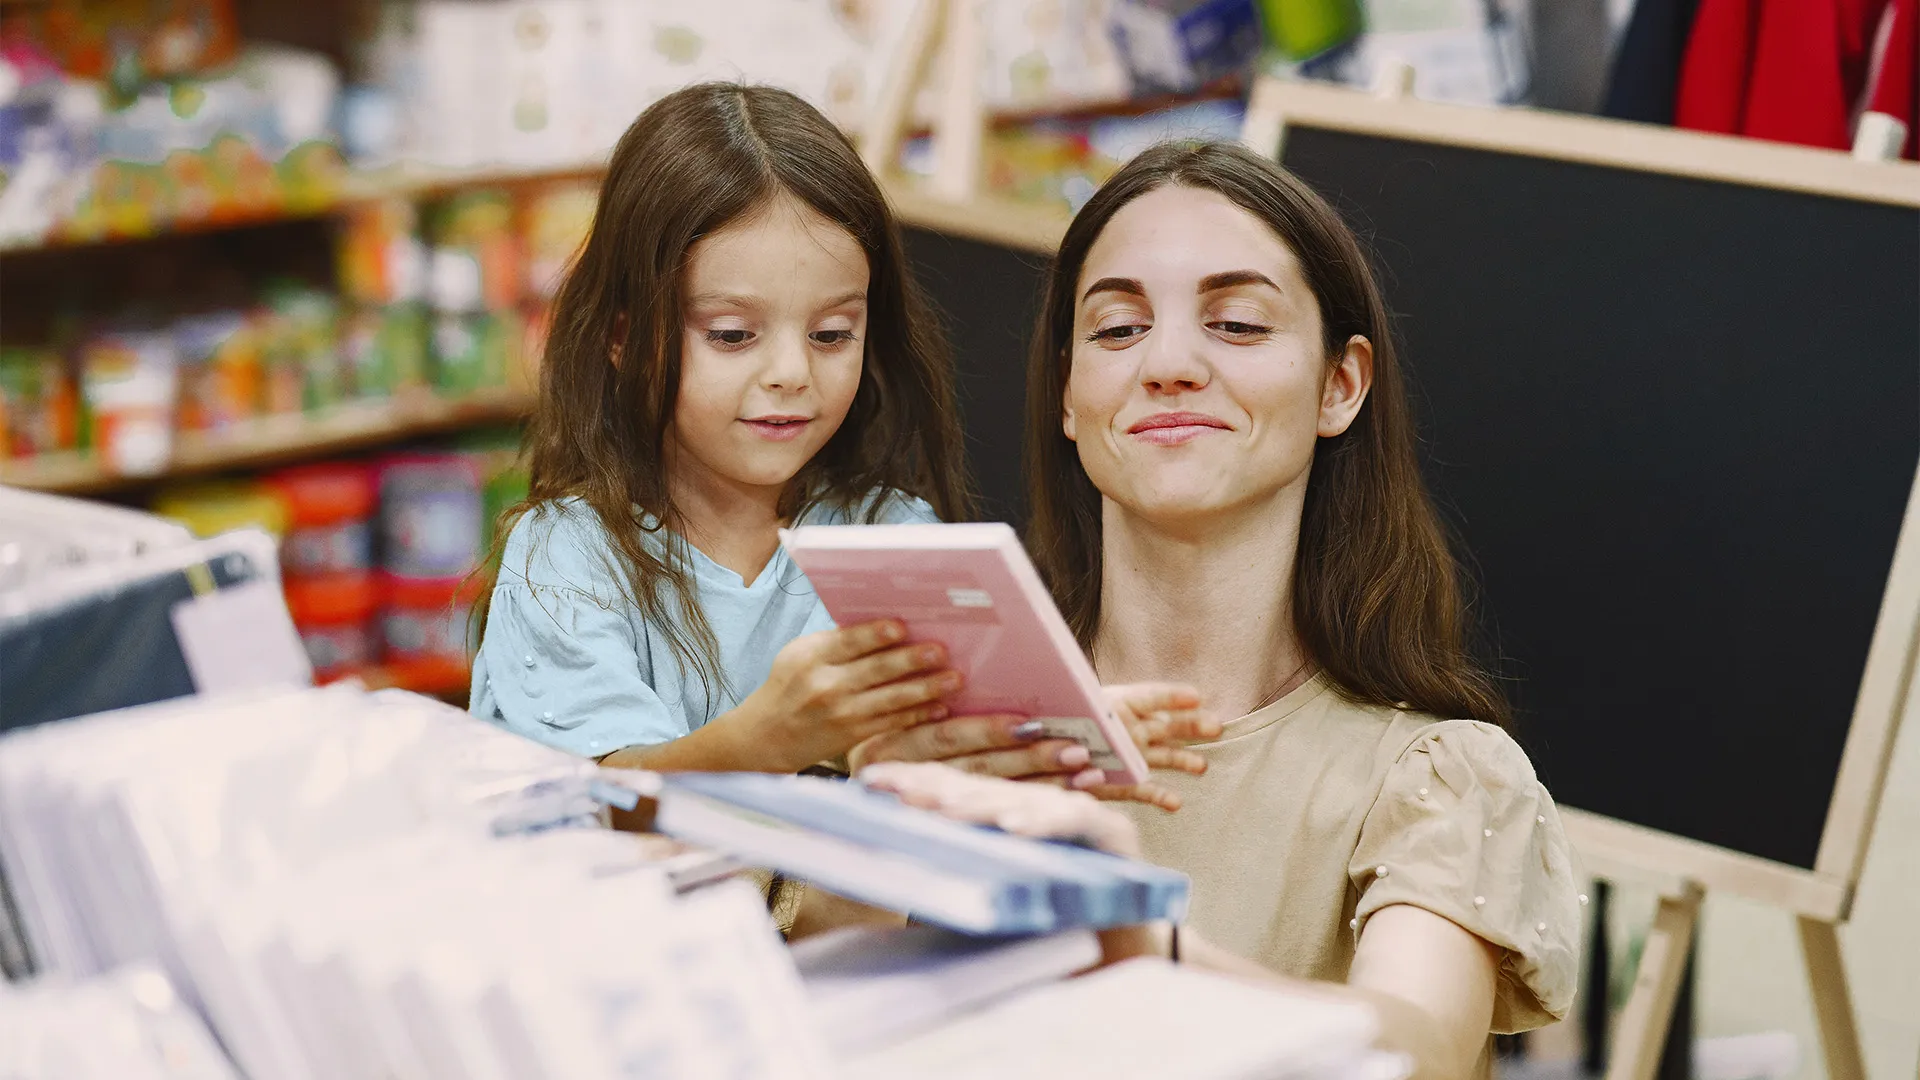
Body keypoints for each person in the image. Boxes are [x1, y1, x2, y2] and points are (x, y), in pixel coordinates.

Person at [849, 140, 1580, 1079]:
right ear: (1069, 396)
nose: (1170, 364)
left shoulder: (1437, 777)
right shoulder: (962, 729)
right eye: (1117, 330)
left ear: (1340, 384)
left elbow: (1417, 1048)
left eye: (1235, 323)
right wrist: (878, 841)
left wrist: (1139, 943)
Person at [471, 83, 1208, 796]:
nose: (792, 373)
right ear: (625, 338)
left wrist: (1046, 736)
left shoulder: (892, 539)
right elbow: (584, 807)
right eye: (731, 335)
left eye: (831, 334)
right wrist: (763, 741)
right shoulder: (566, 555)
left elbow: (943, 769)